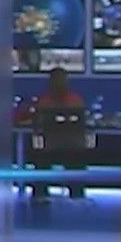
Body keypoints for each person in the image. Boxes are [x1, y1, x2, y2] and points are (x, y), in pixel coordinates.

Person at [29, 68, 88, 201]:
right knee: (74, 161)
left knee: (40, 159)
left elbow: (36, 124)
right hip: (70, 149)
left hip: (53, 149)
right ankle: (76, 195)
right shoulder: (76, 101)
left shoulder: (45, 102)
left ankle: (41, 195)